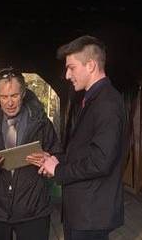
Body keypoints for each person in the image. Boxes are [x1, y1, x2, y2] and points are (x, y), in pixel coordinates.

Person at [29, 35, 126, 240]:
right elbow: (84, 152)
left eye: (71, 67)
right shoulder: (92, 99)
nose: (66, 75)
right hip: (82, 213)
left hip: (91, 215)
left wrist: (59, 170)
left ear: (90, 65)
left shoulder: (107, 102)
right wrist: (54, 160)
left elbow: (101, 161)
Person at [0, 68, 61, 240]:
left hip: (33, 210)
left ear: (23, 93)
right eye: (4, 97)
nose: (9, 102)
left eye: (14, 96)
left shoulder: (41, 122)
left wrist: (48, 161)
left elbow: (57, 156)